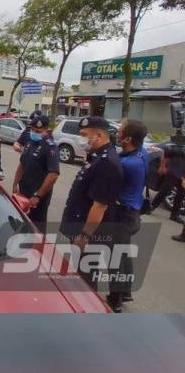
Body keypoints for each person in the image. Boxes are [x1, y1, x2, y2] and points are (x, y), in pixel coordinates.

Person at [59, 116, 123, 288]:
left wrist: (85, 235)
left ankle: (86, 309)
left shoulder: (107, 162)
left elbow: (100, 205)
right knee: (79, 271)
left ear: (99, 136)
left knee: (86, 276)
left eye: (84, 135)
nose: (81, 139)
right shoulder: (97, 157)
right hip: (79, 225)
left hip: (87, 233)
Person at [104, 119, 149, 312]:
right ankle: (126, 291)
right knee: (123, 254)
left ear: (128, 138)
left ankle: (115, 299)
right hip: (133, 212)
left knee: (115, 257)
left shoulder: (127, 164)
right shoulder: (142, 153)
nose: (117, 133)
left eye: (120, 131)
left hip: (122, 214)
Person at [12, 115, 59, 233]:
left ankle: (38, 248)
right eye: (32, 130)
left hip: (38, 196)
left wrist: (38, 196)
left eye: (38, 131)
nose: (34, 133)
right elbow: (22, 164)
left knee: (36, 228)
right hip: (23, 192)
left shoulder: (50, 147)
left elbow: (53, 174)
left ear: (47, 130)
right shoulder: (29, 142)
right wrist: (15, 184)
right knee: (22, 224)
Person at [150, 143, 185, 223]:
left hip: (183, 175)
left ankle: (174, 215)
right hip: (172, 172)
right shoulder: (178, 144)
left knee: (181, 195)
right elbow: (165, 153)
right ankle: (151, 208)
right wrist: (162, 167)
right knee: (165, 190)